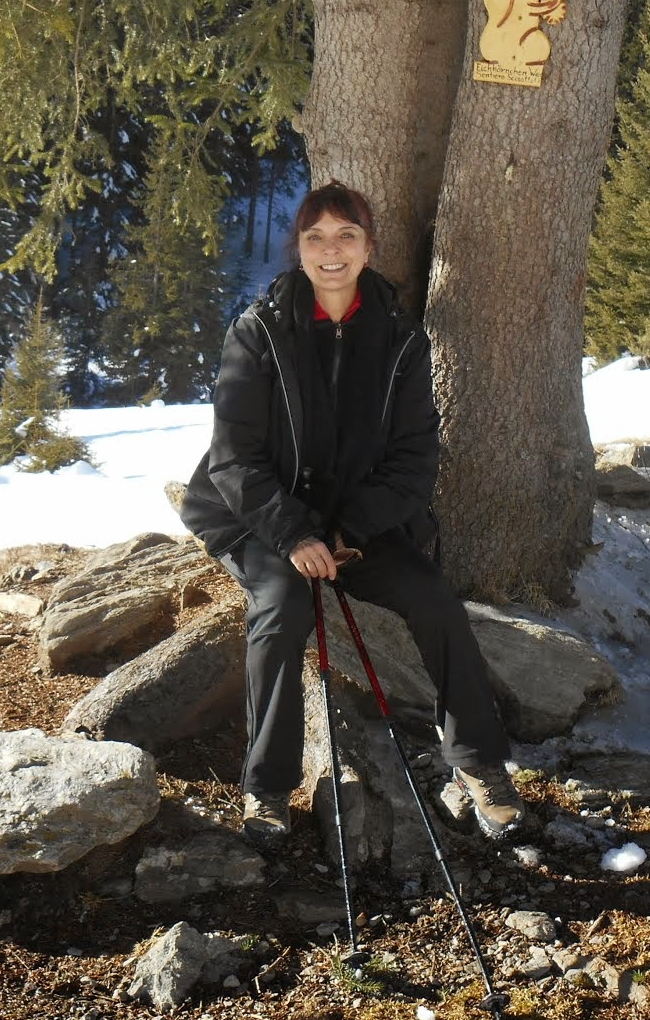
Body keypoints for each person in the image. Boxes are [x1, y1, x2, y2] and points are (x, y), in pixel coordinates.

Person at [180, 180, 527, 849]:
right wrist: (296, 533)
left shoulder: (401, 339)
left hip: (361, 524)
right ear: (298, 250)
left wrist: (345, 532)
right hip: (259, 516)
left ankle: (480, 765)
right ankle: (268, 788)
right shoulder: (258, 332)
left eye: (346, 237)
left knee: (434, 600)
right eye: (315, 238)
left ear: (369, 247)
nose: (330, 251)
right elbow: (233, 458)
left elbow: (414, 460)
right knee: (281, 608)